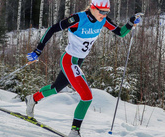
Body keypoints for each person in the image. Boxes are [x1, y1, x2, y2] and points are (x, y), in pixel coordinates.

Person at [25, 0, 142, 136]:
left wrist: (130, 23)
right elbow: (52, 29)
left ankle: (32, 99)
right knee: (86, 96)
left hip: (78, 61)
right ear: (93, 7)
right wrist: (38, 50)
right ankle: (74, 131)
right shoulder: (77, 18)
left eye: (106, 12)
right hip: (69, 60)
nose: (104, 15)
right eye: (101, 11)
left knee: (56, 88)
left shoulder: (103, 20)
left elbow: (120, 32)